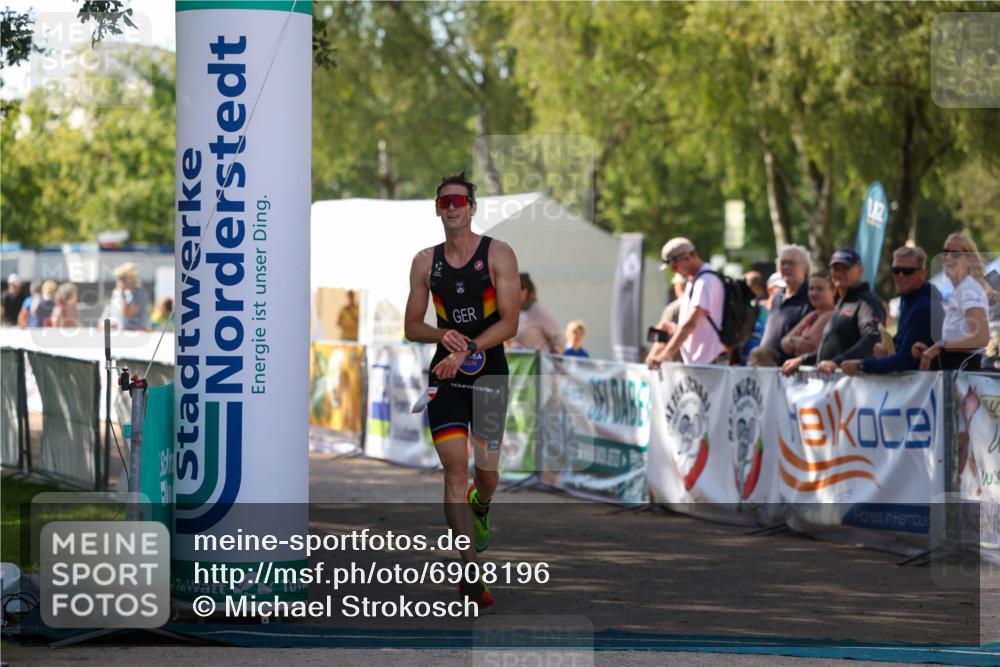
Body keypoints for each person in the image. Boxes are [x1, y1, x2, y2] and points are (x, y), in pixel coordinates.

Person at [403, 171, 519, 608]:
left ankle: (481, 503)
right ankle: (470, 571)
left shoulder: (499, 253)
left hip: (489, 373)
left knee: (485, 475)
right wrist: (443, 337)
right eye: (445, 202)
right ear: (437, 209)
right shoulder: (424, 262)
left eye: (459, 201)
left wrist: (468, 345)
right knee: (454, 468)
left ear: (472, 208)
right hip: (447, 377)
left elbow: (509, 322)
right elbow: (413, 326)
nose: (452, 208)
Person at [782, 248, 885, 376]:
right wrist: (803, 360)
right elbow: (835, 350)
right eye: (836, 269)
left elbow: (872, 339)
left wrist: (837, 362)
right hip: (833, 384)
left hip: (854, 387)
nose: (840, 273)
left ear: (860, 271)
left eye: (846, 268)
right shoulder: (843, 303)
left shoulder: (867, 302)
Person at [842, 247, 941, 376]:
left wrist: (861, 365)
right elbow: (905, 343)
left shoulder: (924, 306)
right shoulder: (908, 299)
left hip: (929, 387)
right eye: (896, 270)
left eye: (907, 271)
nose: (900, 275)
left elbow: (904, 361)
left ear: (922, 273)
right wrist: (889, 346)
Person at [915, 233, 993, 371]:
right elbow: (958, 340)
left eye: (955, 254)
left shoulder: (968, 288)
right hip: (955, 370)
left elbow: (981, 338)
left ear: (970, 259)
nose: (948, 257)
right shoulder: (960, 289)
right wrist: (931, 350)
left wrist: (940, 347)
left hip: (963, 373)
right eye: (946, 252)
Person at [646, 237, 725, 367]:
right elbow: (699, 325)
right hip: (701, 363)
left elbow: (690, 324)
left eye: (675, 265)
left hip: (710, 363)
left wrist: (663, 356)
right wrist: (674, 329)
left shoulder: (704, 282)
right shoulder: (694, 281)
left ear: (688, 257)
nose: (673, 271)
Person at [759, 245, 812, 362]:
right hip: (766, 369)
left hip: (792, 372)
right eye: (783, 263)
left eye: (792, 263)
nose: (786, 267)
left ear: (806, 268)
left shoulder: (812, 296)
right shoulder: (777, 297)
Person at [780, 271, 836, 359]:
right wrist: (795, 341)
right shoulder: (813, 315)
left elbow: (808, 347)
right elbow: (783, 343)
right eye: (811, 289)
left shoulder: (832, 314)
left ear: (833, 291)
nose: (814, 293)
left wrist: (792, 341)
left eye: (819, 289)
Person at [508, 273, 562, 353]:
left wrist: (555, 361)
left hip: (539, 364)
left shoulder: (538, 310)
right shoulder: (514, 312)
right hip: (520, 364)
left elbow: (559, 338)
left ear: (525, 291)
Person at [109, 263, 151, 331]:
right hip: (121, 335)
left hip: (138, 335)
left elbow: (127, 313)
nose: (119, 281)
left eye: (122, 278)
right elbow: (112, 314)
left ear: (131, 279)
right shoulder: (117, 294)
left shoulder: (140, 294)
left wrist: (122, 293)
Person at [739, 271, 770, 363]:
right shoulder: (745, 305)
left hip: (758, 360)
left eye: (746, 284)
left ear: (755, 287)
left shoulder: (765, 308)